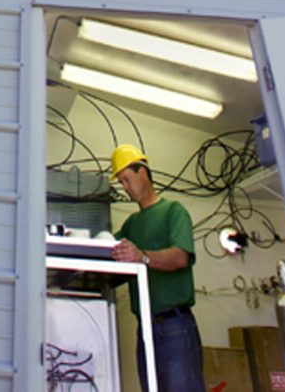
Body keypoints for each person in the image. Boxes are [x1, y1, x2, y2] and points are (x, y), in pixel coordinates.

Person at [110, 144, 205, 392]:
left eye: (127, 179)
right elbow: (110, 254)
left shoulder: (173, 211)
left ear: (143, 172)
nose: (125, 188)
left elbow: (180, 257)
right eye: (121, 183)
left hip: (175, 327)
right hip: (145, 329)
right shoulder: (131, 225)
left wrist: (143, 257)